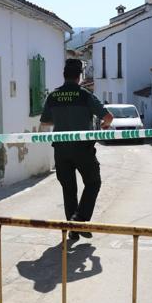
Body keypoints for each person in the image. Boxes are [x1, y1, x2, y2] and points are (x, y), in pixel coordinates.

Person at [39, 59, 114, 240]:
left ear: (64, 75)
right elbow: (108, 117)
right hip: (83, 149)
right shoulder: (85, 95)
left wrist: (62, 119)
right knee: (93, 182)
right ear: (79, 76)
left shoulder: (53, 96)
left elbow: (44, 123)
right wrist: (104, 126)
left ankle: (73, 228)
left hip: (61, 150)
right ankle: (79, 219)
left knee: (68, 189)